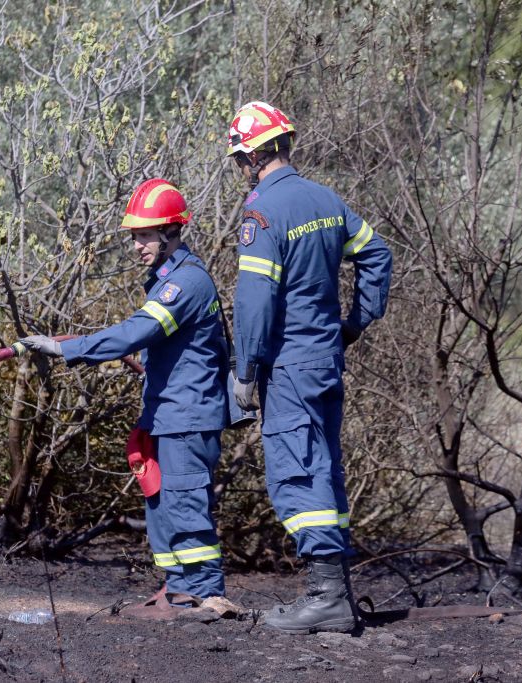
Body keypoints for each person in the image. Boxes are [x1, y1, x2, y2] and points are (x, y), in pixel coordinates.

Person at [22, 179, 230, 605]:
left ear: (172, 233)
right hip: (167, 416)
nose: (137, 246)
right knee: (163, 508)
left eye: (145, 236)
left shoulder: (186, 283)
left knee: (187, 509)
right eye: (134, 237)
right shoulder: (166, 281)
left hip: (187, 419)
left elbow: (137, 332)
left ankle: (208, 597)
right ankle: (178, 592)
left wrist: (65, 348)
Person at [226, 101, 393, 633]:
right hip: (326, 361)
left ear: (251, 157)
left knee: (297, 473)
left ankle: (326, 598)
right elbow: (378, 255)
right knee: (325, 469)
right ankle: (335, 593)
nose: (238, 169)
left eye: (238, 160)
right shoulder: (325, 199)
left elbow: (254, 302)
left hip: (290, 367)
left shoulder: (263, 212)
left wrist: (246, 371)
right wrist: (354, 324)